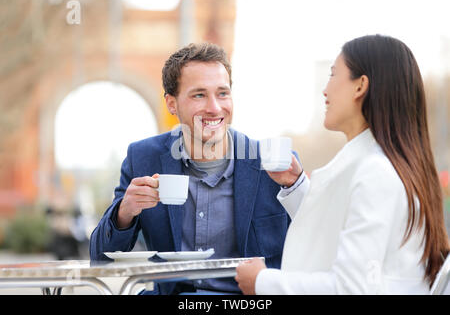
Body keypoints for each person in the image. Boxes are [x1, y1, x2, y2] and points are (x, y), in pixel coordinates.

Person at [235, 34, 450, 294]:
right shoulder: (383, 164)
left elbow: (350, 289)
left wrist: (261, 282)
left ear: (360, 86)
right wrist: (297, 185)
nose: (325, 89)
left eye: (333, 74)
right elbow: (340, 224)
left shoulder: (376, 172)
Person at [89, 42, 295, 295]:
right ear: (172, 104)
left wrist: (297, 189)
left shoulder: (275, 164)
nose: (215, 108)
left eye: (222, 93)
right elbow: (100, 258)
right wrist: (125, 212)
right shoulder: (143, 158)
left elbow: (315, 245)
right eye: (199, 95)